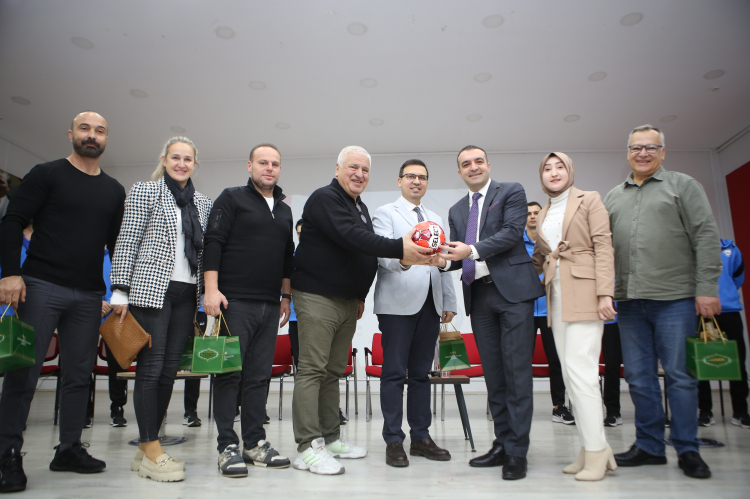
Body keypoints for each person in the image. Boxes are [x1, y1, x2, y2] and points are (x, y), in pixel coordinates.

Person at [0, 111, 125, 492]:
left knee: (78, 375)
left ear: (106, 139)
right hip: (41, 286)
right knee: (24, 372)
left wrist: (118, 291)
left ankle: (69, 448)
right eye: (85, 128)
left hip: (89, 295)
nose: (92, 135)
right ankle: (7, 454)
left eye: (100, 131)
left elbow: (116, 245)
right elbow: (12, 221)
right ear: (71, 133)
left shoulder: (114, 190)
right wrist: (10, 273)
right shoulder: (47, 174)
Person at [291, 145, 433, 475]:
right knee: (312, 369)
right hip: (317, 296)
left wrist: (359, 294)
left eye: (365, 170)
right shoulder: (325, 198)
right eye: (353, 167)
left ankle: (330, 438)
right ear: (337, 169)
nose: (359, 174)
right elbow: (353, 238)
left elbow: (363, 254)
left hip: (346, 301)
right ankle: (307, 446)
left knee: (332, 371)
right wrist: (401, 247)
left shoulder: (360, 207)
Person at [604, 124, 721, 479]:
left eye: (651, 147)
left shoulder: (683, 186)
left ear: (663, 152)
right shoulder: (614, 196)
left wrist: (707, 287)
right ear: (627, 152)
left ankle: (687, 448)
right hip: (629, 301)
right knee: (639, 377)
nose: (643, 153)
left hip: (675, 298)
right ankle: (650, 446)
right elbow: (602, 248)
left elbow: (705, 235)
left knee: (680, 377)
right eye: (636, 147)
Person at [438, 145, 544, 480]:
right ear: (459, 172)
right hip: (479, 296)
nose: (473, 167)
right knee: (495, 376)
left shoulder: (511, 191)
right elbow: (458, 256)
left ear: (488, 165)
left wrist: (471, 250)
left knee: (516, 374)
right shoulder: (457, 209)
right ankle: (502, 442)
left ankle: (517, 452)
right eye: (466, 164)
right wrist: (441, 261)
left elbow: (511, 234)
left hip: (512, 294)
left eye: (478, 161)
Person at [110, 136, 212, 482]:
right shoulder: (146, 191)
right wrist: (120, 289)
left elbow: (205, 250)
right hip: (152, 291)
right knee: (151, 368)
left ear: (194, 164)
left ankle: (146, 449)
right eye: (176, 157)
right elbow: (127, 240)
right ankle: (152, 447)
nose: (182, 164)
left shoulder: (202, 202)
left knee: (170, 370)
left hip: (187, 293)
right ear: (165, 160)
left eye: (188, 159)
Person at [202, 143, 294, 477]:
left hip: (269, 306)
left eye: (275, 164)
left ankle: (254, 443)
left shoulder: (284, 210)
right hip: (233, 303)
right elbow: (213, 242)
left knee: (258, 377)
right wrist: (210, 290)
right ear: (250, 166)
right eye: (263, 162)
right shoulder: (231, 198)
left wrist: (286, 296)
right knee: (229, 374)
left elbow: (286, 256)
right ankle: (227, 446)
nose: (269, 168)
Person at [531, 152, 617, 481]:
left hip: (585, 290)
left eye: (560, 167)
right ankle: (590, 447)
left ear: (570, 171)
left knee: (582, 372)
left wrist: (605, 292)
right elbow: (538, 258)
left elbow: (604, 246)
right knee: (569, 375)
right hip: (556, 296)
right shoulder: (545, 211)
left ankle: (597, 452)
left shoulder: (589, 199)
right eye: (547, 168)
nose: (553, 172)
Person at [371, 159, 458, 467]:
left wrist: (449, 301)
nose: (416, 181)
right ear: (400, 181)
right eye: (410, 176)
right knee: (394, 373)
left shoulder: (435, 218)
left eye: (422, 177)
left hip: (431, 304)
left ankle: (421, 437)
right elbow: (382, 255)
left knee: (421, 375)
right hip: (397, 304)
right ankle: (393, 440)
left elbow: (443, 262)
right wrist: (408, 259)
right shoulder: (385, 213)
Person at [286, 219, 348, 426]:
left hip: (325, 317)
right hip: (297, 319)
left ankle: (331, 412)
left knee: (328, 367)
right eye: (299, 233)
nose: (302, 236)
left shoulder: (324, 252)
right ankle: (309, 418)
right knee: (306, 368)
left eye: (305, 231)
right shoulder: (295, 256)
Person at [524, 201, 574, 425]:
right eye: (529, 213)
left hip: (550, 310)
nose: (533, 216)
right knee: (522, 361)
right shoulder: (516, 243)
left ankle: (559, 406)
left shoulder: (551, 241)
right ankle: (522, 407)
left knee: (556, 359)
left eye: (537, 213)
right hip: (524, 310)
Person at [697, 239, 750, 428]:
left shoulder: (731, 249)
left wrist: (724, 296)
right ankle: (705, 410)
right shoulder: (691, 246)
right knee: (700, 361)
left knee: (736, 360)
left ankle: (741, 411)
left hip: (728, 310)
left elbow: (737, 277)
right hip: (700, 310)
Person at [85, 247, 128, 429]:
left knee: (117, 363)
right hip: (88, 310)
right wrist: (96, 302)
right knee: (84, 362)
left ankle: (117, 408)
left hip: (116, 312)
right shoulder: (86, 250)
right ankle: (84, 410)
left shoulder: (119, 250)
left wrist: (112, 302)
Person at [602, 318, 623, 426]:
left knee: (642, 368)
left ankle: (654, 413)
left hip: (628, 319)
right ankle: (612, 411)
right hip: (608, 320)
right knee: (611, 366)